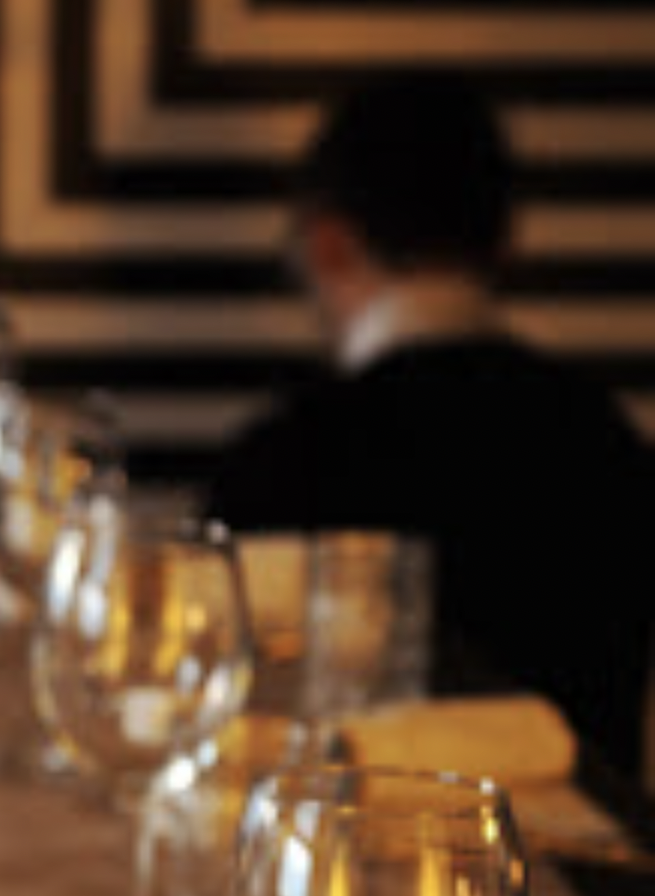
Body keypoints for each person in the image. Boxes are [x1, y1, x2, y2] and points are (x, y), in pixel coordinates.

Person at [207, 70, 655, 787]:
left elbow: (227, 741)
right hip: (592, 888)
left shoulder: (278, 462)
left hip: (341, 879)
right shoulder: (607, 439)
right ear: (509, 241)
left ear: (327, 246)